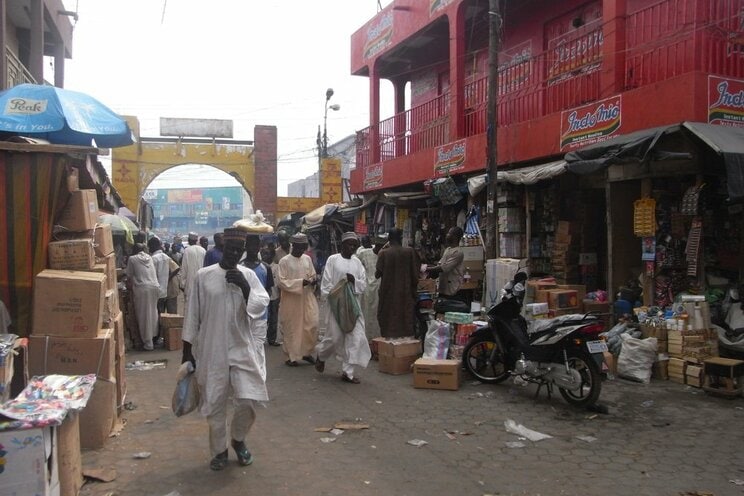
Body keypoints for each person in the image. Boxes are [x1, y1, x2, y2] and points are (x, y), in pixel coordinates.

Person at [182, 227, 270, 471]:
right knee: (215, 402)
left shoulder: (248, 275)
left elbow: (261, 305)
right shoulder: (203, 276)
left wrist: (244, 287)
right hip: (212, 349)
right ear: (221, 249)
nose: (233, 254)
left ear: (242, 252)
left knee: (248, 399)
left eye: (237, 251)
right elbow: (192, 315)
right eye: (229, 249)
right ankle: (219, 451)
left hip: (241, 347)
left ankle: (238, 439)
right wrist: (187, 352)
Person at [314, 232, 371, 384]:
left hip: (353, 306)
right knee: (334, 337)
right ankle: (321, 355)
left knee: (356, 336)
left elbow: (363, 284)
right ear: (342, 245)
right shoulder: (333, 260)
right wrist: (335, 295)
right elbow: (326, 284)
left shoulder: (357, 262)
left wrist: (354, 282)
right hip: (337, 304)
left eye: (354, 245)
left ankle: (348, 372)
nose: (351, 247)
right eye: (349, 244)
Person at [277, 232, 319, 367]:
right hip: (291, 301)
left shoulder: (307, 259)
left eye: (303, 247)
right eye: (298, 247)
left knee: (311, 324)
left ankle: (306, 353)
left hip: (307, 298)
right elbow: (281, 282)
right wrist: (300, 282)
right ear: (293, 245)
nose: (301, 250)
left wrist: (313, 280)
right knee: (292, 328)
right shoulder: (284, 261)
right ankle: (292, 356)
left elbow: (312, 274)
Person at [375, 228, 419, 338]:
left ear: (389, 239)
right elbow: (415, 274)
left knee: (388, 319)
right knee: (406, 318)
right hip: (406, 292)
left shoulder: (384, 253)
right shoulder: (409, 252)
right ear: (401, 238)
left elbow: (377, 274)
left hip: (388, 294)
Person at [241, 234, 274, 379]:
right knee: (244, 347)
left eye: (256, 246)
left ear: (259, 247)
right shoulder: (239, 267)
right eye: (250, 245)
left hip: (261, 315)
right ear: (246, 247)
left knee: (258, 347)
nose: (253, 248)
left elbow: (268, 293)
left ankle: (259, 378)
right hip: (242, 313)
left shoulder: (265, 268)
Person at [126, 243, 160, 350]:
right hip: (154, 287)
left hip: (142, 289)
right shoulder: (149, 257)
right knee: (152, 313)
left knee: (143, 316)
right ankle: (154, 337)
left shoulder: (132, 259)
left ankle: (148, 343)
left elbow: (129, 276)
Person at [355, 235, 382, 340]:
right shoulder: (362, 253)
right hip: (367, 288)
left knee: (378, 314)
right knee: (367, 313)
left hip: (380, 287)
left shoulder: (383, 254)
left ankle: (378, 338)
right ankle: (368, 338)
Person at [427, 226, 465, 300]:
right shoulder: (448, 249)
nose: (447, 235)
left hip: (452, 290)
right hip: (443, 288)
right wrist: (426, 266)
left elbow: (444, 268)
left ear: (455, 237)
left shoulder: (458, 252)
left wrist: (426, 269)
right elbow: (439, 265)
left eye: (449, 233)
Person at [261, 245, 281, 346]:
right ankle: (260, 337)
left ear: (272, 255)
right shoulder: (260, 267)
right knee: (263, 318)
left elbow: (280, 283)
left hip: (274, 296)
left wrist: (280, 296)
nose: (264, 256)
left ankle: (272, 339)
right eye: (263, 254)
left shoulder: (277, 267)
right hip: (263, 297)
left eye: (267, 254)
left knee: (273, 318)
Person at [180, 232, 206, 304]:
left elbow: (184, 268)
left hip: (189, 283)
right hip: (201, 282)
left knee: (189, 307)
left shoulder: (187, 251)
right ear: (196, 240)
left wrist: (182, 284)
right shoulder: (203, 250)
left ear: (189, 240)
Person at [147, 237, 171, 316]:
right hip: (164, 291)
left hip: (155, 292)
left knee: (156, 315)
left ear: (153, 246)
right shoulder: (166, 257)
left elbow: (151, 276)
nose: (149, 249)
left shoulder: (153, 259)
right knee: (162, 314)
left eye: (149, 247)